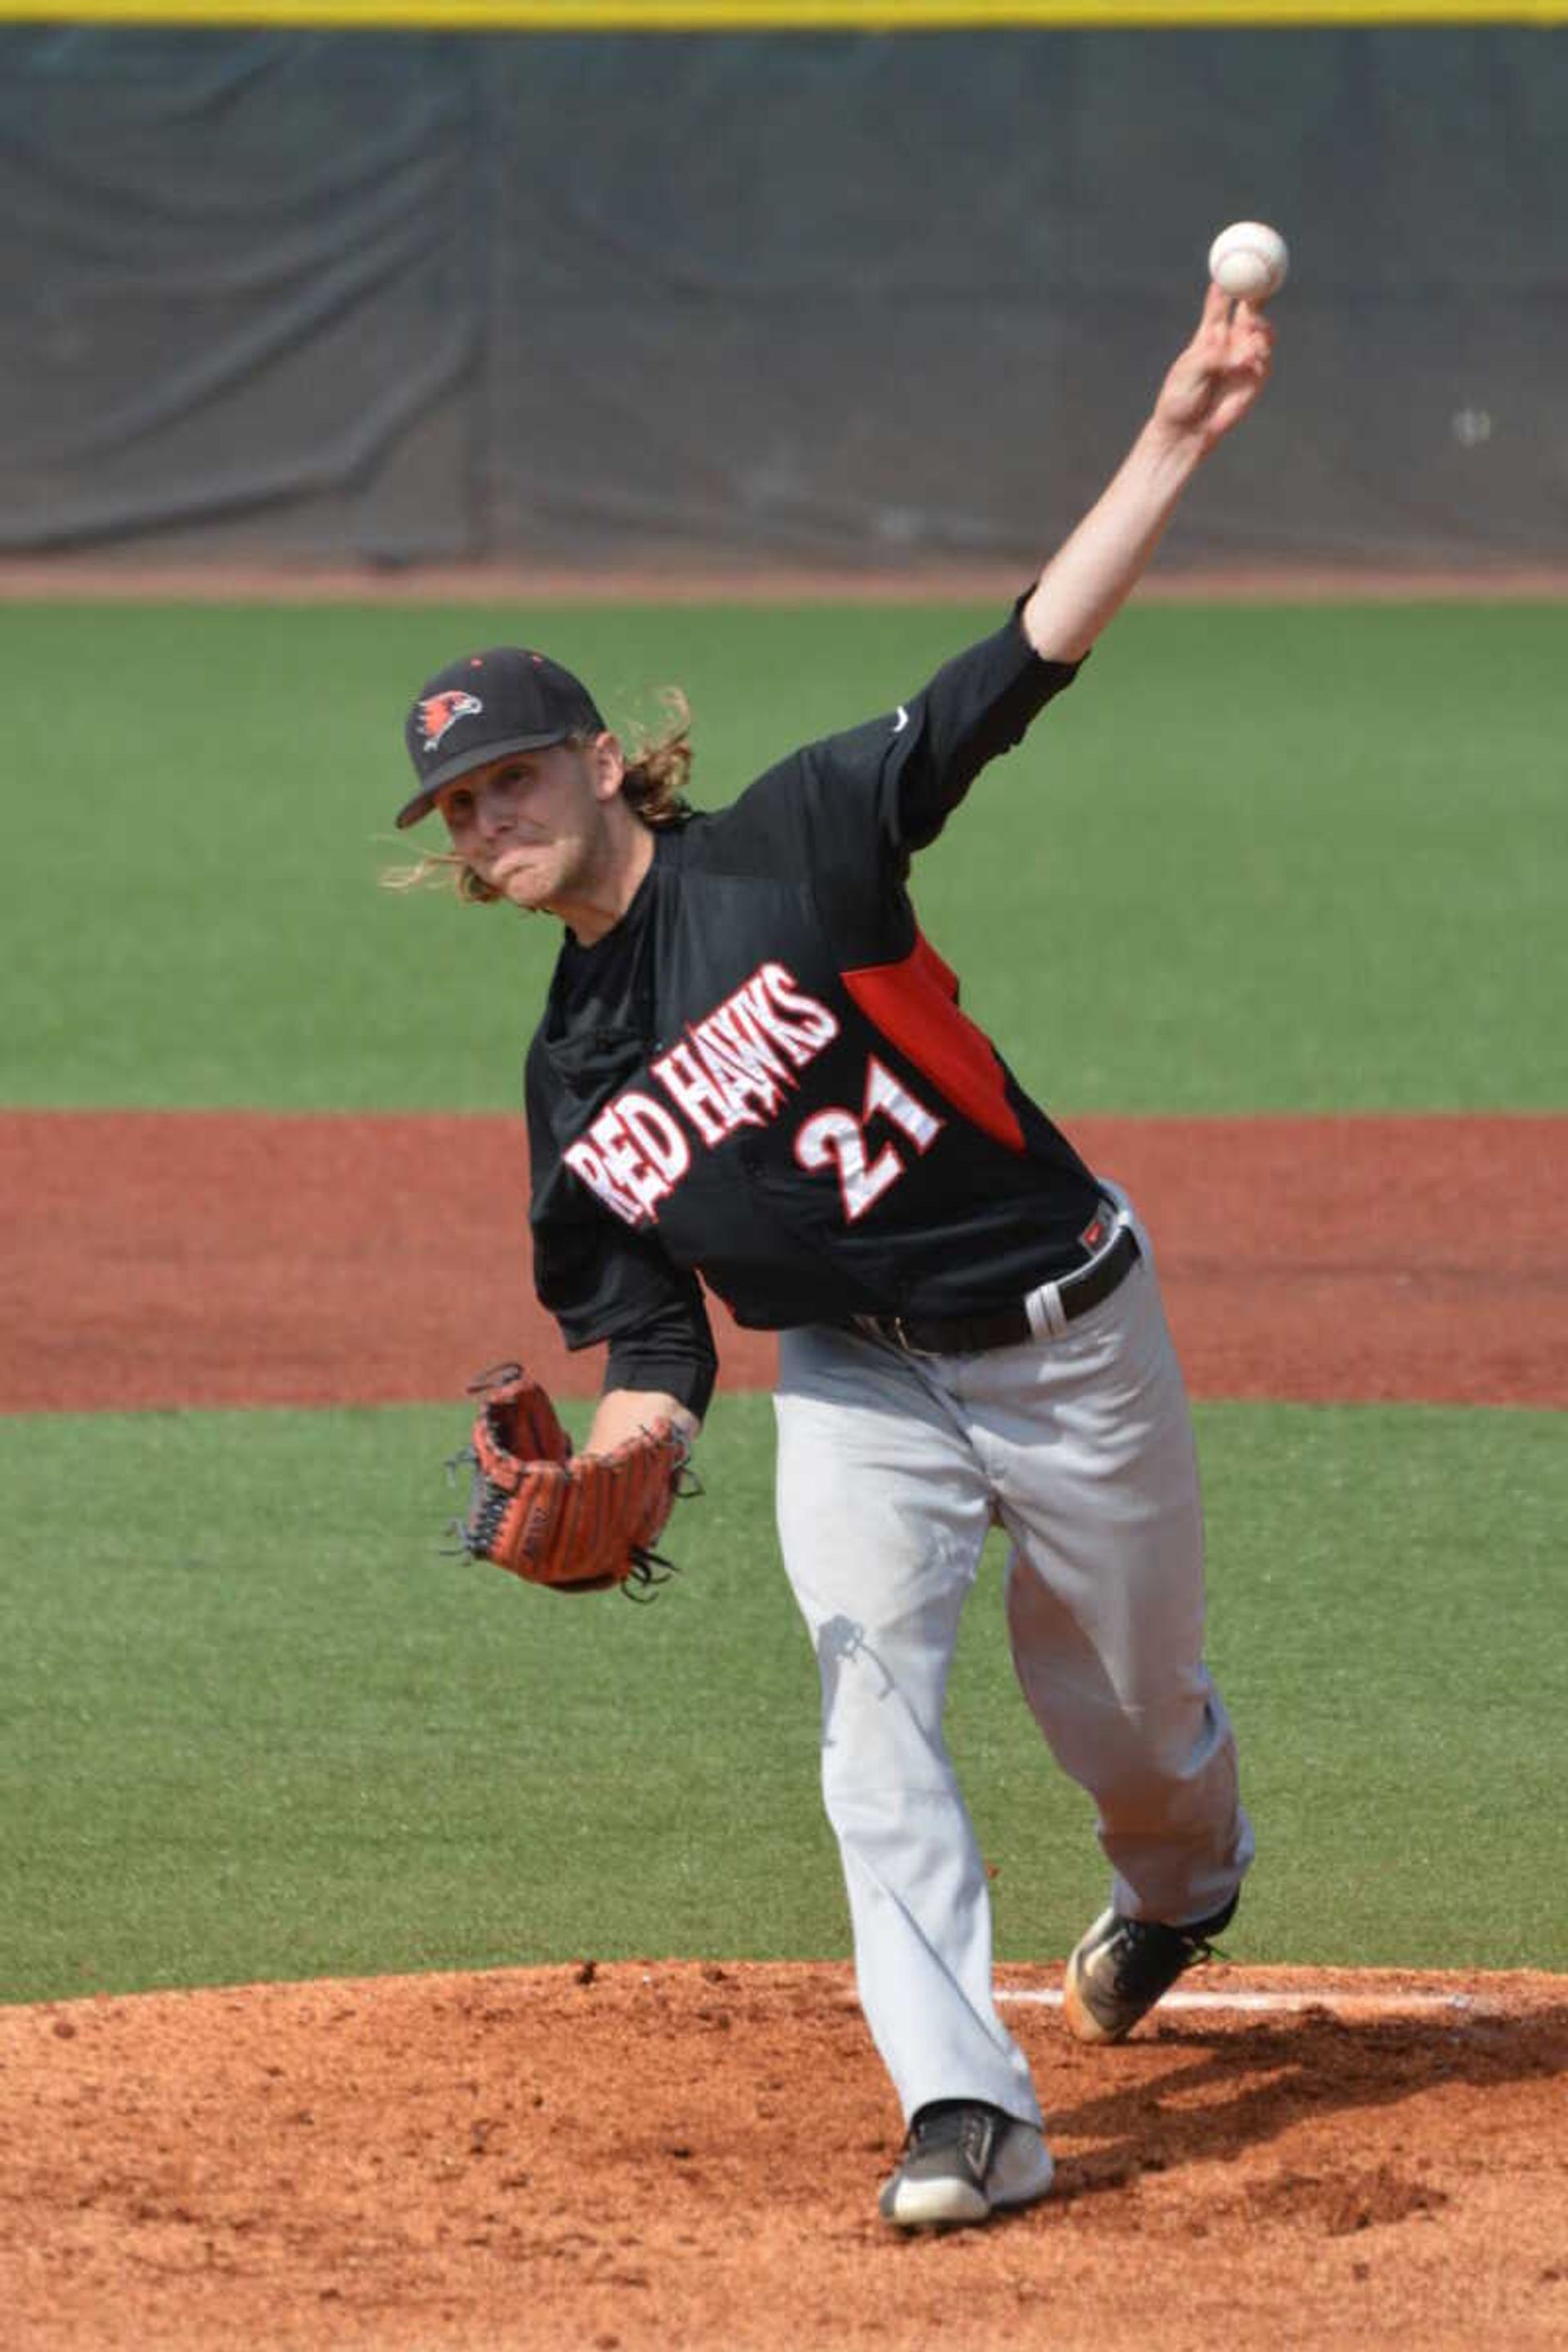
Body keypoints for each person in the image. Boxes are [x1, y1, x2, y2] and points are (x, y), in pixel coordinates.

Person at [392, 282, 1273, 2230]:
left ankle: (1180, 1881)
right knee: (869, 1720)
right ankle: (968, 2107)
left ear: (605, 762)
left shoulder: (796, 844)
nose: (490, 820)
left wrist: (1178, 433)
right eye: (462, 809)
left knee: (1122, 1714)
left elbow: (1016, 666)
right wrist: (630, 1455)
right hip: (859, 1380)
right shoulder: (569, 1082)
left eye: (513, 776)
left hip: (1065, 1326)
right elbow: (647, 1325)